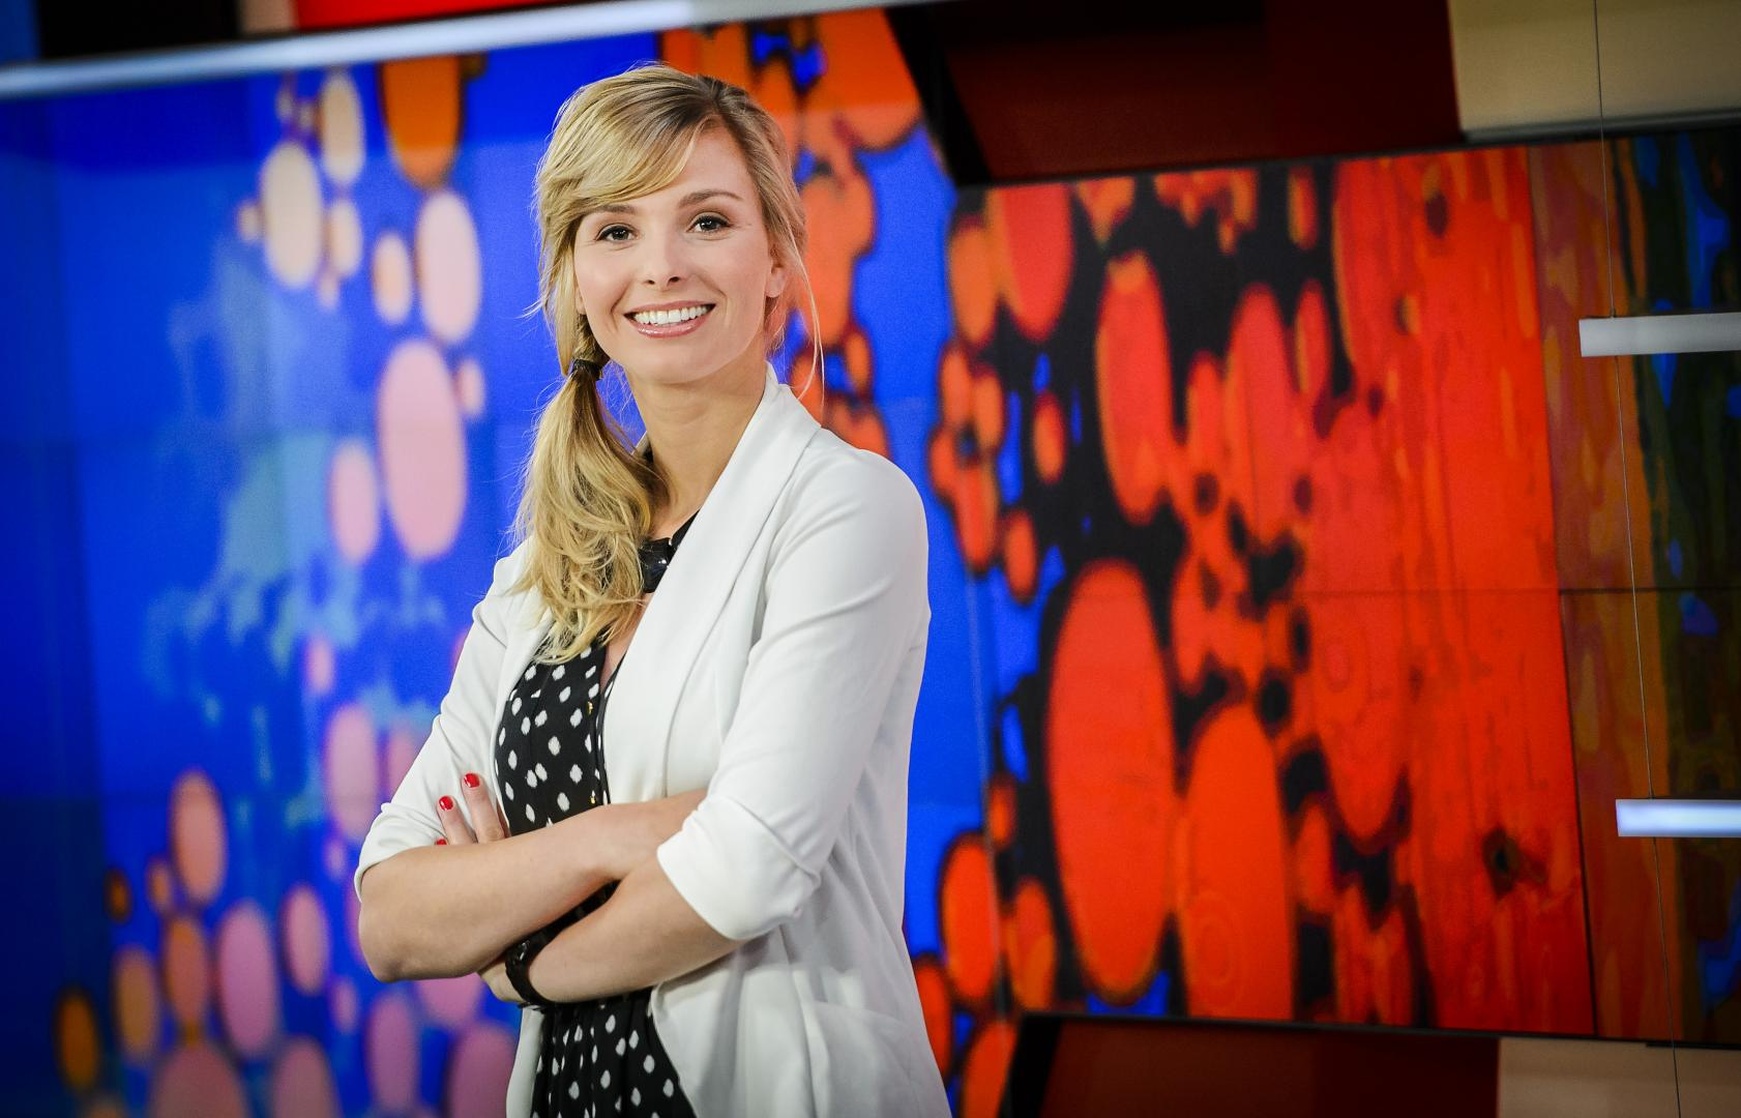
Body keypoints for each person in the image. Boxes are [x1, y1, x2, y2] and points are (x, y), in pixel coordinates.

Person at [353, 64, 950, 1118]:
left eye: (706, 220)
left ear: (777, 261)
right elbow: (393, 915)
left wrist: (524, 961)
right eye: (615, 230)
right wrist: (605, 838)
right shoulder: (541, 572)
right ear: (577, 277)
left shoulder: (844, 510)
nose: (660, 266)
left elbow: (745, 870)